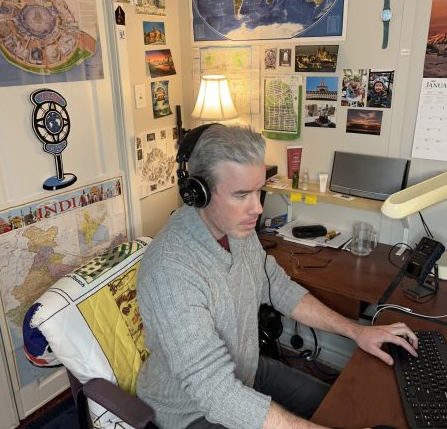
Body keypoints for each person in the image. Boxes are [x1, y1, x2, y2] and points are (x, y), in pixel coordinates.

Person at [136, 124, 418, 429]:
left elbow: (279, 290)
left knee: (339, 408)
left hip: (246, 371)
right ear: (198, 193)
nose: (257, 208)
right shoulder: (170, 270)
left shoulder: (239, 233)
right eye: (241, 195)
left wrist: (357, 331)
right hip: (190, 409)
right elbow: (216, 393)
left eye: (259, 190)